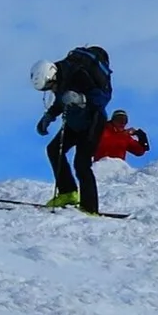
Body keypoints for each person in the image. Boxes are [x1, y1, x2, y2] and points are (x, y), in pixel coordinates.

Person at [34, 46, 112, 215]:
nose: (50, 90)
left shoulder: (78, 74)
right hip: (74, 121)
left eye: (49, 86)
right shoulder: (60, 78)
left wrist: (82, 98)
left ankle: (90, 207)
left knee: (81, 163)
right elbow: (61, 101)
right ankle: (68, 193)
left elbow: (103, 97)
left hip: (93, 121)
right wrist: (49, 117)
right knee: (54, 150)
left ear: (51, 76)